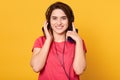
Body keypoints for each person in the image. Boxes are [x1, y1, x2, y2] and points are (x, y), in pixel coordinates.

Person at [30, 1, 87, 80]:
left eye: (63, 18)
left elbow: (79, 70)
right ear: (48, 21)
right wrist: (49, 39)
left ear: (69, 21)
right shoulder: (41, 41)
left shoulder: (78, 42)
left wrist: (78, 40)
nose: (59, 22)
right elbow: (36, 67)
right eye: (54, 18)